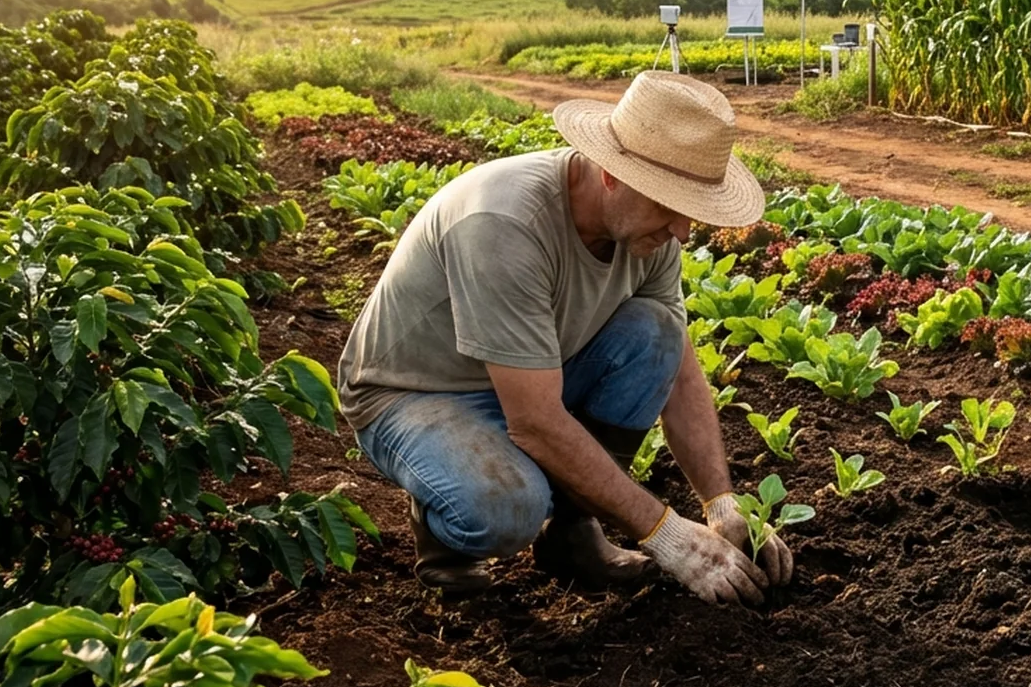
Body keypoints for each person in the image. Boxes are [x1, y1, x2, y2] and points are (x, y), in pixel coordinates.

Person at [336, 71, 790, 603]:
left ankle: (572, 534)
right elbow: (535, 423)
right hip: (416, 392)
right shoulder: (504, 222)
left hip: (533, 376)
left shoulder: (648, 233)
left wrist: (720, 502)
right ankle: (445, 539)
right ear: (612, 175)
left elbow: (679, 368)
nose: (684, 232)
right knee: (507, 508)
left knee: (659, 333)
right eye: (670, 205)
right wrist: (668, 536)